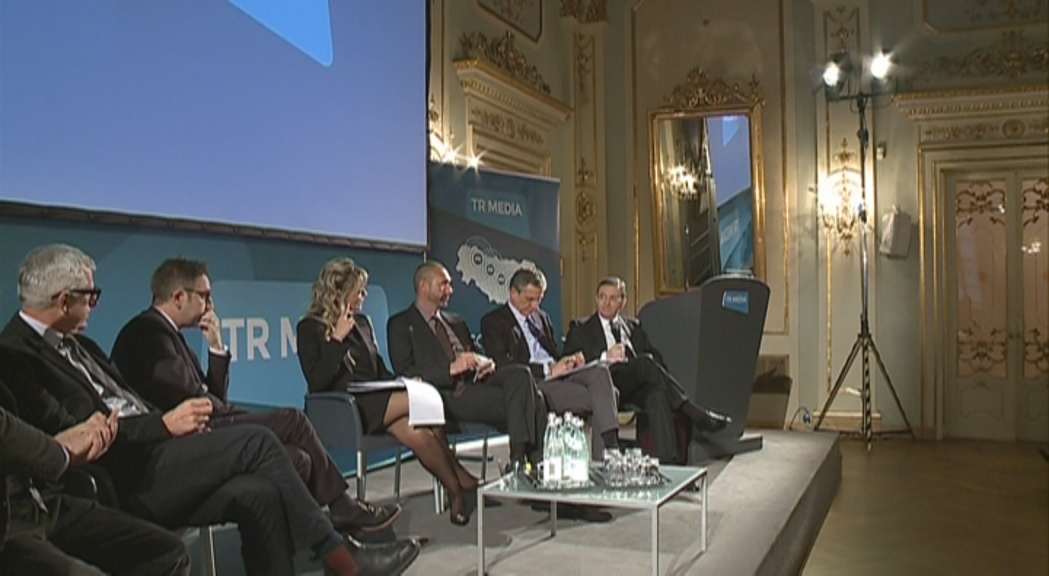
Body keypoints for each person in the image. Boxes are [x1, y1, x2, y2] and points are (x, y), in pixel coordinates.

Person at [0, 244, 419, 576]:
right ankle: (342, 559)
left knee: (260, 492)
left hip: (163, 448)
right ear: (64, 300)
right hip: (129, 470)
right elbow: (79, 436)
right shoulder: (17, 357)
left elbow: (175, 398)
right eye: (91, 296)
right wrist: (164, 425)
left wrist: (213, 354)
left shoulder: (81, 345)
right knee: (261, 440)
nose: (95, 304)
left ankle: (331, 548)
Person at [110, 257, 400, 534]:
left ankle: (315, 539)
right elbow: (193, 401)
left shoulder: (169, 334)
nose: (211, 305)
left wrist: (216, 346)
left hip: (208, 424)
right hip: (186, 442)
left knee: (299, 459)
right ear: (178, 297)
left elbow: (212, 397)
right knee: (294, 420)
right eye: (205, 296)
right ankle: (341, 508)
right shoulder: (146, 334)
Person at [296, 257, 481, 526]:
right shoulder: (309, 328)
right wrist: (336, 339)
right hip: (347, 406)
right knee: (426, 398)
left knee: (418, 431)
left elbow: (378, 370)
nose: (364, 296)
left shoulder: (362, 322)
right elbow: (317, 381)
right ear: (339, 294)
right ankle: (459, 476)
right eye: (359, 291)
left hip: (377, 397)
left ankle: (456, 494)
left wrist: (403, 381)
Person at [0, 378, 191, 576]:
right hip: (10, 531)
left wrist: (86, 436)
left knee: (170, 556)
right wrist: (60, 451)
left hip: (33, 500)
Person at [387, 261, 546, 469]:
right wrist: (451, 368)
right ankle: (530, 464)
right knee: (534, 400)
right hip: (448, 392)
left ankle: (519, 462)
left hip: (477, 382)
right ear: (424, 287)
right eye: (443, 285)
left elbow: (472, 354)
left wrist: (485, 362)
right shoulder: (400, 324)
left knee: (521, 374)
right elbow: (405, 372)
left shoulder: (456, 321)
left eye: (450, 284)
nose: (450, 290)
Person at [563, 276, 731, 464]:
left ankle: (669, 462)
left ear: (623, 302)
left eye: (612, 298)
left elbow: (656, 359)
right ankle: (692, 411)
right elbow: (569, 362)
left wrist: (638, 362)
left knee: (657, 395)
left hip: (634, 384)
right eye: (602, 297)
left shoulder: (633, 326)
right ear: (596, 299)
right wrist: (605, 356)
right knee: (645, 363)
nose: (606, 303)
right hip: (604, 383)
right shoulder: (580, 327)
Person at [480, 268, 621, 457]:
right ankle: (606, 457)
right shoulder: (494, 322)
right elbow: (503, 365)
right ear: (514, 293)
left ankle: (610, 451)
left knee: (600, 371)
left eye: (539, 299)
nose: (535, 305)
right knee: (608, 396)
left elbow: (553, 353)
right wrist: (548, 370)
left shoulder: (542, 318)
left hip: (559, 373)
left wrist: (569, 361)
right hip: (533, 381)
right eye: (530, 299)